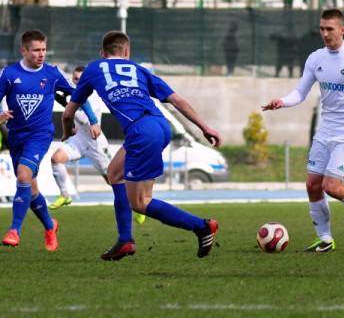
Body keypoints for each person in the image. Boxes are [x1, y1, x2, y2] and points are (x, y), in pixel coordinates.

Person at [62, 31, 221, 260]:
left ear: (102, 53)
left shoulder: (94, 69)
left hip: (140, 131)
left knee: (140, 202)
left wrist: (68, 132)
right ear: (127, 52)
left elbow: (68, 113)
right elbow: (176, 100)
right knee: (114, 173)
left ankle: (202, 227)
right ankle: (125, 240)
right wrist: (205, 127)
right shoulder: (140, 70)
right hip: (159, 124)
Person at [262, 8, 344, 253]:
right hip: (325, 131)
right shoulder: (315, 58)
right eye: (322, 29)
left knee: (332, 186)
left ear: (342, 30)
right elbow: (301, 92)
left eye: (330, 29)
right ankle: (325, 239)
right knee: (312, 185)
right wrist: (282, 101)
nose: (325, 34)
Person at [0, 30, 100, 251]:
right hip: (17, 136)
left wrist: (93, 120)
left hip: (40, 134)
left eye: (44, 49)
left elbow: (78, 96)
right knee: (30, 187)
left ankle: (14, 230)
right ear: (23, 50)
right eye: (36, 50)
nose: (41, 54)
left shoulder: (52, 74)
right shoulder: (8, 74)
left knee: (24, 174)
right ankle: (49, 225)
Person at [47, 65, 147, 225]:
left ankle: (137, 205)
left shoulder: (93, 97)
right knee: (56, 159)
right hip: (78, 141)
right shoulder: (73, 95)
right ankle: (65, 195)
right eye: (75, 79)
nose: (78, 82)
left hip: (96, 146)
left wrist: (67, 106)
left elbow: (86, 120)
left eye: (80, 79)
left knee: (114, 180)